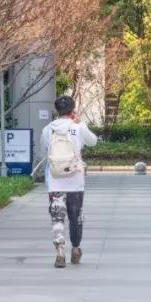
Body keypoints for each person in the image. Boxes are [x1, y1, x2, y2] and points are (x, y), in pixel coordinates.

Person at [40, 95, 97, 268]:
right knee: (75, 217)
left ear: (57, 111)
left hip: (55, 181)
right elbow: (93, 142)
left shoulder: (48, 129)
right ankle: (76, 249)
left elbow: (44, 149)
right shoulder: (77, 127)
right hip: (75, 180)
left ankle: (59, 251)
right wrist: (80, 123)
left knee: (57, 217)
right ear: (72, 110)